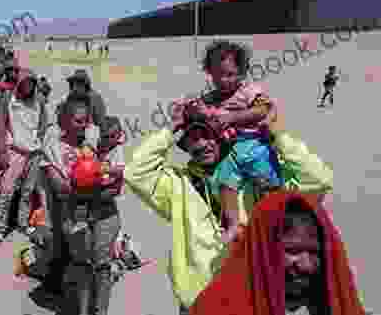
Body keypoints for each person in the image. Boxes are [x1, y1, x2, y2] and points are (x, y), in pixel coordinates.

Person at [124, 115, 333, 313]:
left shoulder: (259, 178)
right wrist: (170, 131)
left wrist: (277, 137)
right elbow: (135, 173)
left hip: (253, 299)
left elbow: (318, 180)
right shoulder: (178, 185)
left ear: (221, 135)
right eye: (192, 139)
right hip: (199, 303)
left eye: (206, 135)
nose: (202, 144)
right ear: (185, 146)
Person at [171, 41, 284, 243]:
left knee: (267, 184)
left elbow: (263, 110)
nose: (224, 80)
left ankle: (277, 222)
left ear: (242, 72)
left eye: (230, 74)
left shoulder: (249, 91)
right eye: (218, 75)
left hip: (255, 144)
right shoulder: (211, 98)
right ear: (209, 73)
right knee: (225, 183)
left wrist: (233, 118)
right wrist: (187, 110)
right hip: (231, 152)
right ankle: (233, 224)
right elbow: (196, 116)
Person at [190, 191, 370, 315]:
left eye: (314, 252)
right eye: (292, 250)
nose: (306, 265)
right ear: (263, 249)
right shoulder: (217, 308)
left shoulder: (334, 305)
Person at [38, 95, 124, 315]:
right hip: (75, 215)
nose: (84, 125)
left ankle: (101, 311)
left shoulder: (98, 137)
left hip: (106, 214)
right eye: (77, 121)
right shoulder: (53, 147)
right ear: (64, 121)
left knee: (103, 265)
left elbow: (117, 184)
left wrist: (91, 182)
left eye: (86, 120)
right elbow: (60, 189)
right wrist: (97, 182)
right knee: (83, 266)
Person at [0, 67, 48, 245]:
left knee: (27, 191)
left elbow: (43, 122)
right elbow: (1, 125)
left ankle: (23, 224)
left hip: (34, 153)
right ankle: (0, 229)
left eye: (32, 84)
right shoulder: (8, 98)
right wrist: (2, 151)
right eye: (25, 83)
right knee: (6, 191)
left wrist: (37, 139)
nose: (28, 87)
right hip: (15, 151)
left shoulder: (39, 99)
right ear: (20, 82)